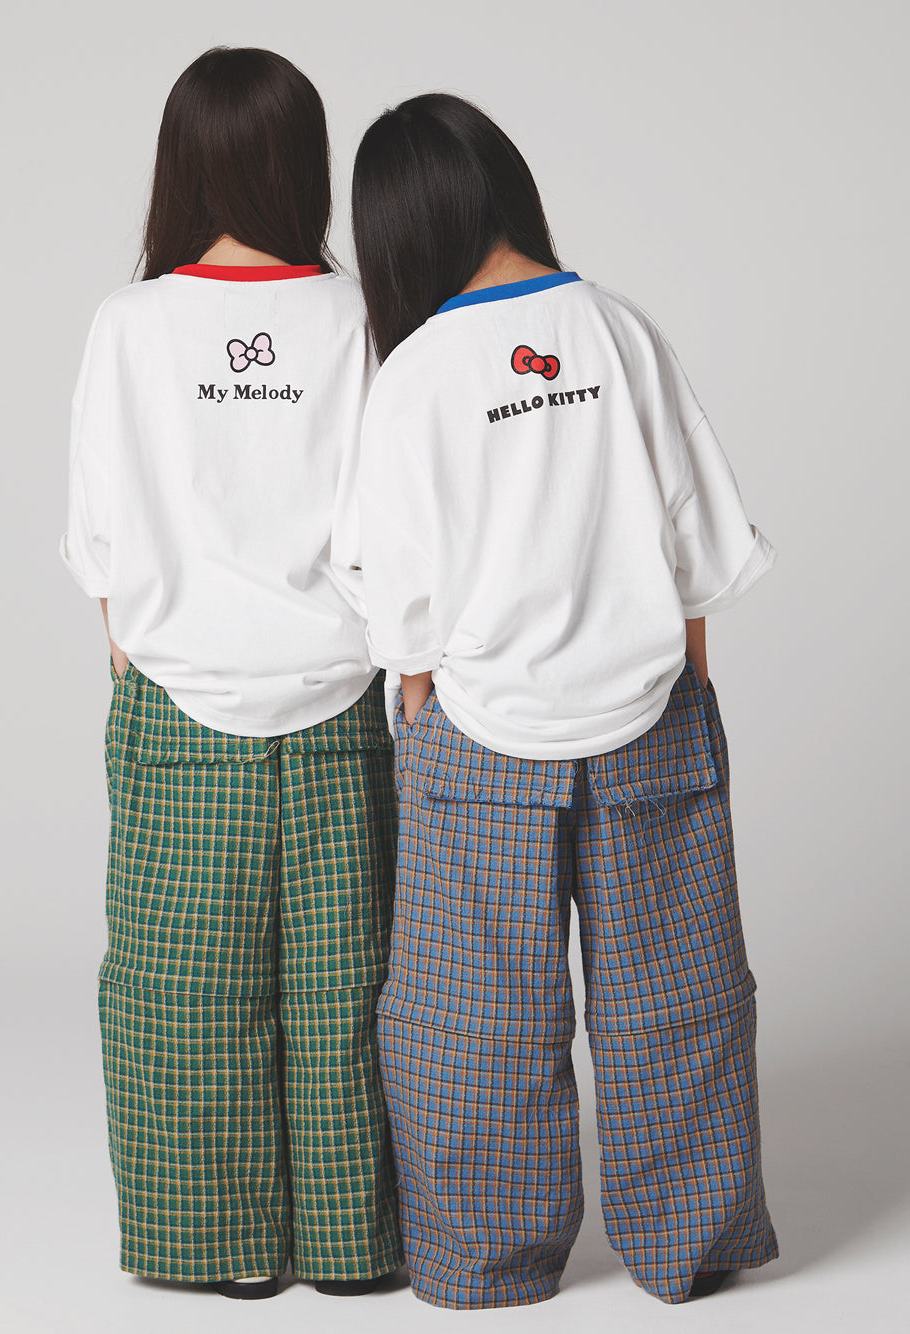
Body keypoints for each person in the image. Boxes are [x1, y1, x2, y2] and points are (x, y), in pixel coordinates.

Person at [352, 92, 779, 1310]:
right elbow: (696, 539)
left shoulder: (416, 372)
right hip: (650, 711)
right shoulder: (620, 329)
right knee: (677, 997)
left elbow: (398, 596)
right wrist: (688, 681)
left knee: (470, 1019)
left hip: (478, 733)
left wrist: (417, 700)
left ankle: (485, 1260)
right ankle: (690, 1247)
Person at [60, 47, 401, 1301]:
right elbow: (393, 516)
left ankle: (221, 1248)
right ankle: (356, 1245)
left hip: (178, 698)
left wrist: (132, 637)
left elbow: (99, 530)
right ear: (304, 163)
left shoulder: (130, 323)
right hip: (342, 698)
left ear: (179, 165)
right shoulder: (360, 317)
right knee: (350, 990)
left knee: (181, 993)